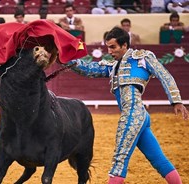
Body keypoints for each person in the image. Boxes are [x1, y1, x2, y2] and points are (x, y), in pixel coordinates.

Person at [66, 26, 188, 184]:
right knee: (158, 159)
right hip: (140, 116)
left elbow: (164, 75)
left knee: (119, 161)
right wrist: (64, 57)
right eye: (108, 47)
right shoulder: (113, 66)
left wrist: (176, 100)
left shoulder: (143, 58)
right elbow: (88, 69)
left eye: (113, 47)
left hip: (132, 116)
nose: (109, 51)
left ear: (124, 45)